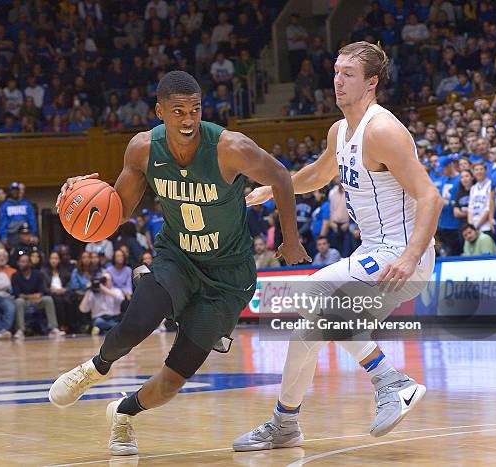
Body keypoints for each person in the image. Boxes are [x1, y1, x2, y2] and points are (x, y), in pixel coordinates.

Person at [49, 70, 307, 456]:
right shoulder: (143, 150)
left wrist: (290, 238)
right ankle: (94, 369)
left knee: (172, 381)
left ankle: (122, 414)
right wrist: (78, 200)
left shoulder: (229, 147)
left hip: (228, 276)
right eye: (178, 111)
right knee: (138, 322)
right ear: (160, 112)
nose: (188, 120)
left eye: (195, 110)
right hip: (178, 256)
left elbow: (280, 175)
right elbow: (116, 212)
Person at [234, 41, 442, 451]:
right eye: (336, 71)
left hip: (402, 255)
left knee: (315, 291)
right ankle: (285, 423)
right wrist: (275, 190)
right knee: (307, 328)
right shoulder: (341, 129)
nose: (338, 80)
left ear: (372, 82)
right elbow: (319, 173)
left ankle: (390, 380)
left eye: (348, 73)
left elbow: (431, 197)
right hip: (372, 253)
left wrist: (411, 256)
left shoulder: (382, 130)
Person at [11, 253, 64, 339]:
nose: (22, 264)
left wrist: (38, 295)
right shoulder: (15, 276)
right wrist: (31, 297)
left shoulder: (38, 274)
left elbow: (42, 290)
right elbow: (17, 294)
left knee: (48, 299)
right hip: (24, 301)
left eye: (24, 262)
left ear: (29, 263)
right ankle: (20, 330)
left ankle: (53, 328)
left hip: (37, 300)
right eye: (20, 262)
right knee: (18, 302)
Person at [42, 251, 74, 333]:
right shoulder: (44, 272)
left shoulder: (63, 270)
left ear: (59, 260)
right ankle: (60, 325)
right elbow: (44, 287)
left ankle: (69, 325)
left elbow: (69, 283)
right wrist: (53, 290)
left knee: (69, 300)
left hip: (63, 292)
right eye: (52, 258)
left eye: (56, 258)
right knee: (58, 301)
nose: (54, 260)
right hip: (51, 293)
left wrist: (65, 289)